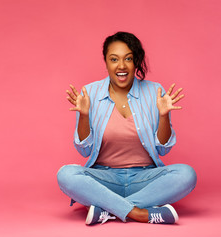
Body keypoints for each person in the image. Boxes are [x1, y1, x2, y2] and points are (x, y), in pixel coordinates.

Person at [57, 31, 197, 225]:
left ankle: (108, 210)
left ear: (135, 62)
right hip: (105, 178)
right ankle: (141, 213)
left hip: (145, 178)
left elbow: (163, 149)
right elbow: (84, 150)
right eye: (114, 59)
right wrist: (84, 115)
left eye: (128, 59)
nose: (121, 66)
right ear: (105, 62)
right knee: (66, 174)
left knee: (186, 174)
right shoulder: (89, 93)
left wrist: (163, 116)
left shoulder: (154, 91)